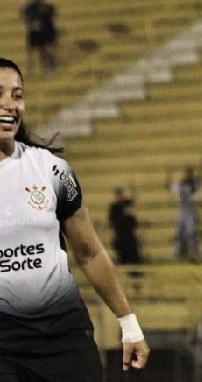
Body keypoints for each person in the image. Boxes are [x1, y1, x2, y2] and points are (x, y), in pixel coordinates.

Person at [0, 57, 149, 379]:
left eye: (17, 94)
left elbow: (89, 252)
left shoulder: (52, 170)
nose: (8, 104)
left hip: (63, 338)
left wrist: (129, 323)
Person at [167, 166, 202, 261]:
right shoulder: (182, 184)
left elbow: (195, 199)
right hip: (182, 210)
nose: (189, 176)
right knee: (179, 232)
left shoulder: (194, 185)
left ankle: (194, 252)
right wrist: (169, 175)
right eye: (188, 174)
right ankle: (178, 252)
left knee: (191, 233)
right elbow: (170, 186)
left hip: (190, 211)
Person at [20, 0, 57, 74]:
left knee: (44, 50)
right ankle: (29, 69)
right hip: (33, 32)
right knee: (30, 52)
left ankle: (50, 66)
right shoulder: (29, 7)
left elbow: (52, 13)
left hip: (41, 32)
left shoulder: (44, 6)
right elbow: (23, 15)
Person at [108, 186, 141, 265]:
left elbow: (132, 218)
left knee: (133, 254)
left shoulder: (127, 203)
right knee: (122, 255)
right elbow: (112, 221)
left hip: (129, 233)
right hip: (120, 234)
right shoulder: (114, 207)